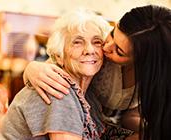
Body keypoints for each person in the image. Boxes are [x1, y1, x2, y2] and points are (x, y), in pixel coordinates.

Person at [23, 5, 171, 140]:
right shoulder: (64, 89)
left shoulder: (158, 78)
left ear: (141, 63)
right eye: (113, 33)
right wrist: (32, 68)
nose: (105, 47)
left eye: (118, 51)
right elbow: (59, 58)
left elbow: (133, 115)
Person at [0, 9, 111, 140]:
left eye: (97, 42)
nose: (89, 50)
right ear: (59, 56)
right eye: (77, 42)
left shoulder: (88, 93)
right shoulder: (57, 87)